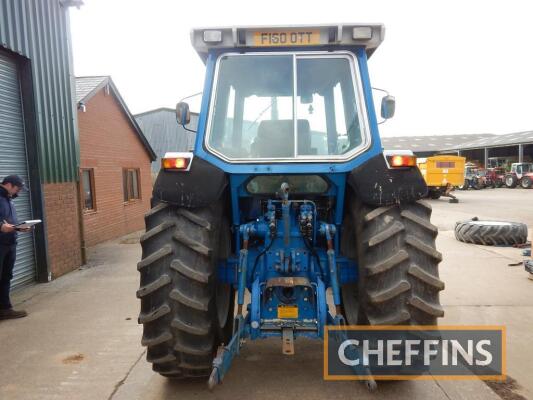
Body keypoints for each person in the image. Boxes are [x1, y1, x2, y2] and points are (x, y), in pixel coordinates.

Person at [0, 175, 31, 320]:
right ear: (9, 184)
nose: (18, 192)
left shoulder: (8, 198)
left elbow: (9, 220)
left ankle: (5, 309)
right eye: (17, 188)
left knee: (6, 276)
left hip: (10, 243)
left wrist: (19, 228)